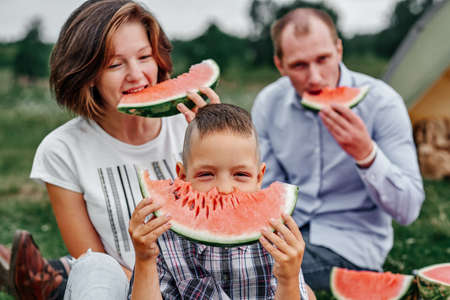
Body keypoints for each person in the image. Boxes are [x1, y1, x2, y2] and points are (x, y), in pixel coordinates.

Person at [6, 0, 219, 299]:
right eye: (115, 64)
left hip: (205, 285)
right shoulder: (61, 151)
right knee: (93, 269)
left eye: (145, 57)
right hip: (121, 286)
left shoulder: (189, 127)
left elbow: (229, 220)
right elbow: (93, 260)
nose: (136, 74)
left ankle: (48, 278)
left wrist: (216, 142)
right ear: (87, 74)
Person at [250, 8, 425, 291]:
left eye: (323, 59)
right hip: (290, 232)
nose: (316, 77)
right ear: (280, 65)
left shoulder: (382, 104)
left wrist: (366, 154)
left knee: (259, 273)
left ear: (339, 49)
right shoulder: (269, 105)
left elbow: (409, 209)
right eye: (299, 66)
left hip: (351, 242)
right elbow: (266, 189)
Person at [127, 103, 315, 299]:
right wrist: (144, 259)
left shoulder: (276, 239)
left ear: (259, 178)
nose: (224, 189)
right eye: (207, 174)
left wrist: (289, 279)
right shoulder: (165, 239)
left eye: (241, 174)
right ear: (182, 176)